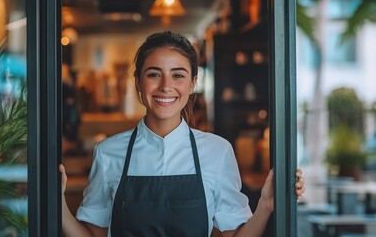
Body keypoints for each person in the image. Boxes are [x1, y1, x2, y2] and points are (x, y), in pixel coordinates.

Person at [59, 31, 305, 237]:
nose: (166, 86)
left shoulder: (217, 151)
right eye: (154, 74)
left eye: (178, 75)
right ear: (137, 83)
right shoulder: (108, 152)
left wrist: (265, 206)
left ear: (192, 84)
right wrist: (57, 201)